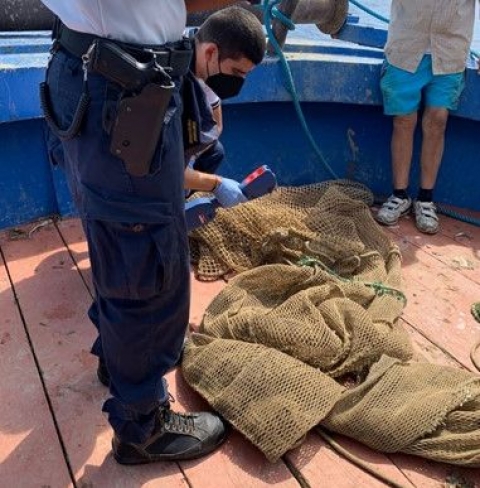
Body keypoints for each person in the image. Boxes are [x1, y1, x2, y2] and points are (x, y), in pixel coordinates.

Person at [39, 0, 263, 465]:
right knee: (145, 270)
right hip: (122, 90)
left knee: (116, 244)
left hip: (93, 70)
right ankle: (143, 426)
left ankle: (117, 358)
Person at [376, 0, 477, 234]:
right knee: (403, 120)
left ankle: (426, 198)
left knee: (437, 120)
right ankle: (399, 194)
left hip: (451, 51)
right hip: (405, 47)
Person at [183, 8, 266, 207]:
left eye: (244, 75)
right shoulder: (173, 87)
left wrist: (192, 156)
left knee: (215, 151)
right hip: (132, 180)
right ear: (211, 52)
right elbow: (161, 172)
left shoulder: (204, 68)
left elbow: (217, 125)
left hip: (169, 163)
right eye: (236, 72)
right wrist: (216, 184)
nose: (238, 82)